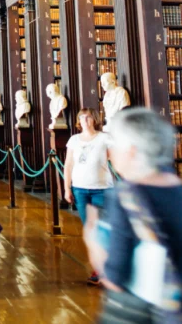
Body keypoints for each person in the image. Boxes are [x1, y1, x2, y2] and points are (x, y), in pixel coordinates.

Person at [85, 107, 182, 324]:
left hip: (147, 311)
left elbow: (115, 276)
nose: (111, 153)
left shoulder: (126, 194)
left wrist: (91, 239)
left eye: (115, 145)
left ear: (132, 151)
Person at [62, 108, 114, 285]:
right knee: (90, 230)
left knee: (102, 229)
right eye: (82, 117)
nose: (85, 120)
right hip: (80, 189)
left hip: (102, 188)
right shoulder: (74, 140)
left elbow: (115, 160)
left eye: (89, 116)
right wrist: (67, 188)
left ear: (95, 119)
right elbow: (68, 165)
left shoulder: (105, 137)